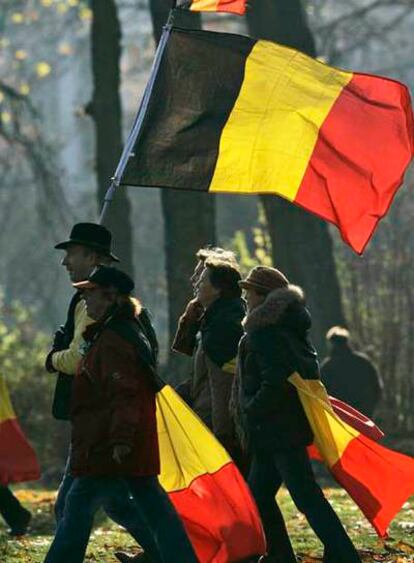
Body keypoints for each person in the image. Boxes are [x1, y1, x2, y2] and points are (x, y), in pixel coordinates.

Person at [44, 266, 197, 563]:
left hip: (109, 445)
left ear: (111, 296)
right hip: (118, 442)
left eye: (91, 292)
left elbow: (125, 394)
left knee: (77, 507)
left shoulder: (114, 339)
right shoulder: (116, 331)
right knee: (155, 509)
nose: (85, 298)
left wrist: (121, 441)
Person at [234, 266, 362, 563]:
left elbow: (276, 379)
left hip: (278, 428)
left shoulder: (266, 332)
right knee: (262, 496)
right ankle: (281, 555)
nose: (246, 296)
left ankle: (342, 555)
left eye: (250, 291)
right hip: (278, 429)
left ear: (263, 296)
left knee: (304, 496)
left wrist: (251, 405)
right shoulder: (290, 328)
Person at [47, 223, 155, 563]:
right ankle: (165, 551)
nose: (65, 262)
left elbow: (83, 358)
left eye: (72, 254)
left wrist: (51, 359)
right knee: (120, 502)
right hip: (99, 423)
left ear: (92, 257)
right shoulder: (85, 300)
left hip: (103, 423)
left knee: (72, 504)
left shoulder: (96, 303)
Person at [191, 259, 245, 451]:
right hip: (213, 420)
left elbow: (223, 384)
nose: (197, 283)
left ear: (217, 289)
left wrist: (222, 435)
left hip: (220, 427)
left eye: (203, 280)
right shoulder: (215, 319)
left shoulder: (223, 327)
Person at [321, 326, 383, 418]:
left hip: (339, 417)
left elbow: (321, 393)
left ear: (331, 343)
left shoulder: (328, 366)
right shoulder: (363, 362)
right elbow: (377, 388)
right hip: (363, 416)